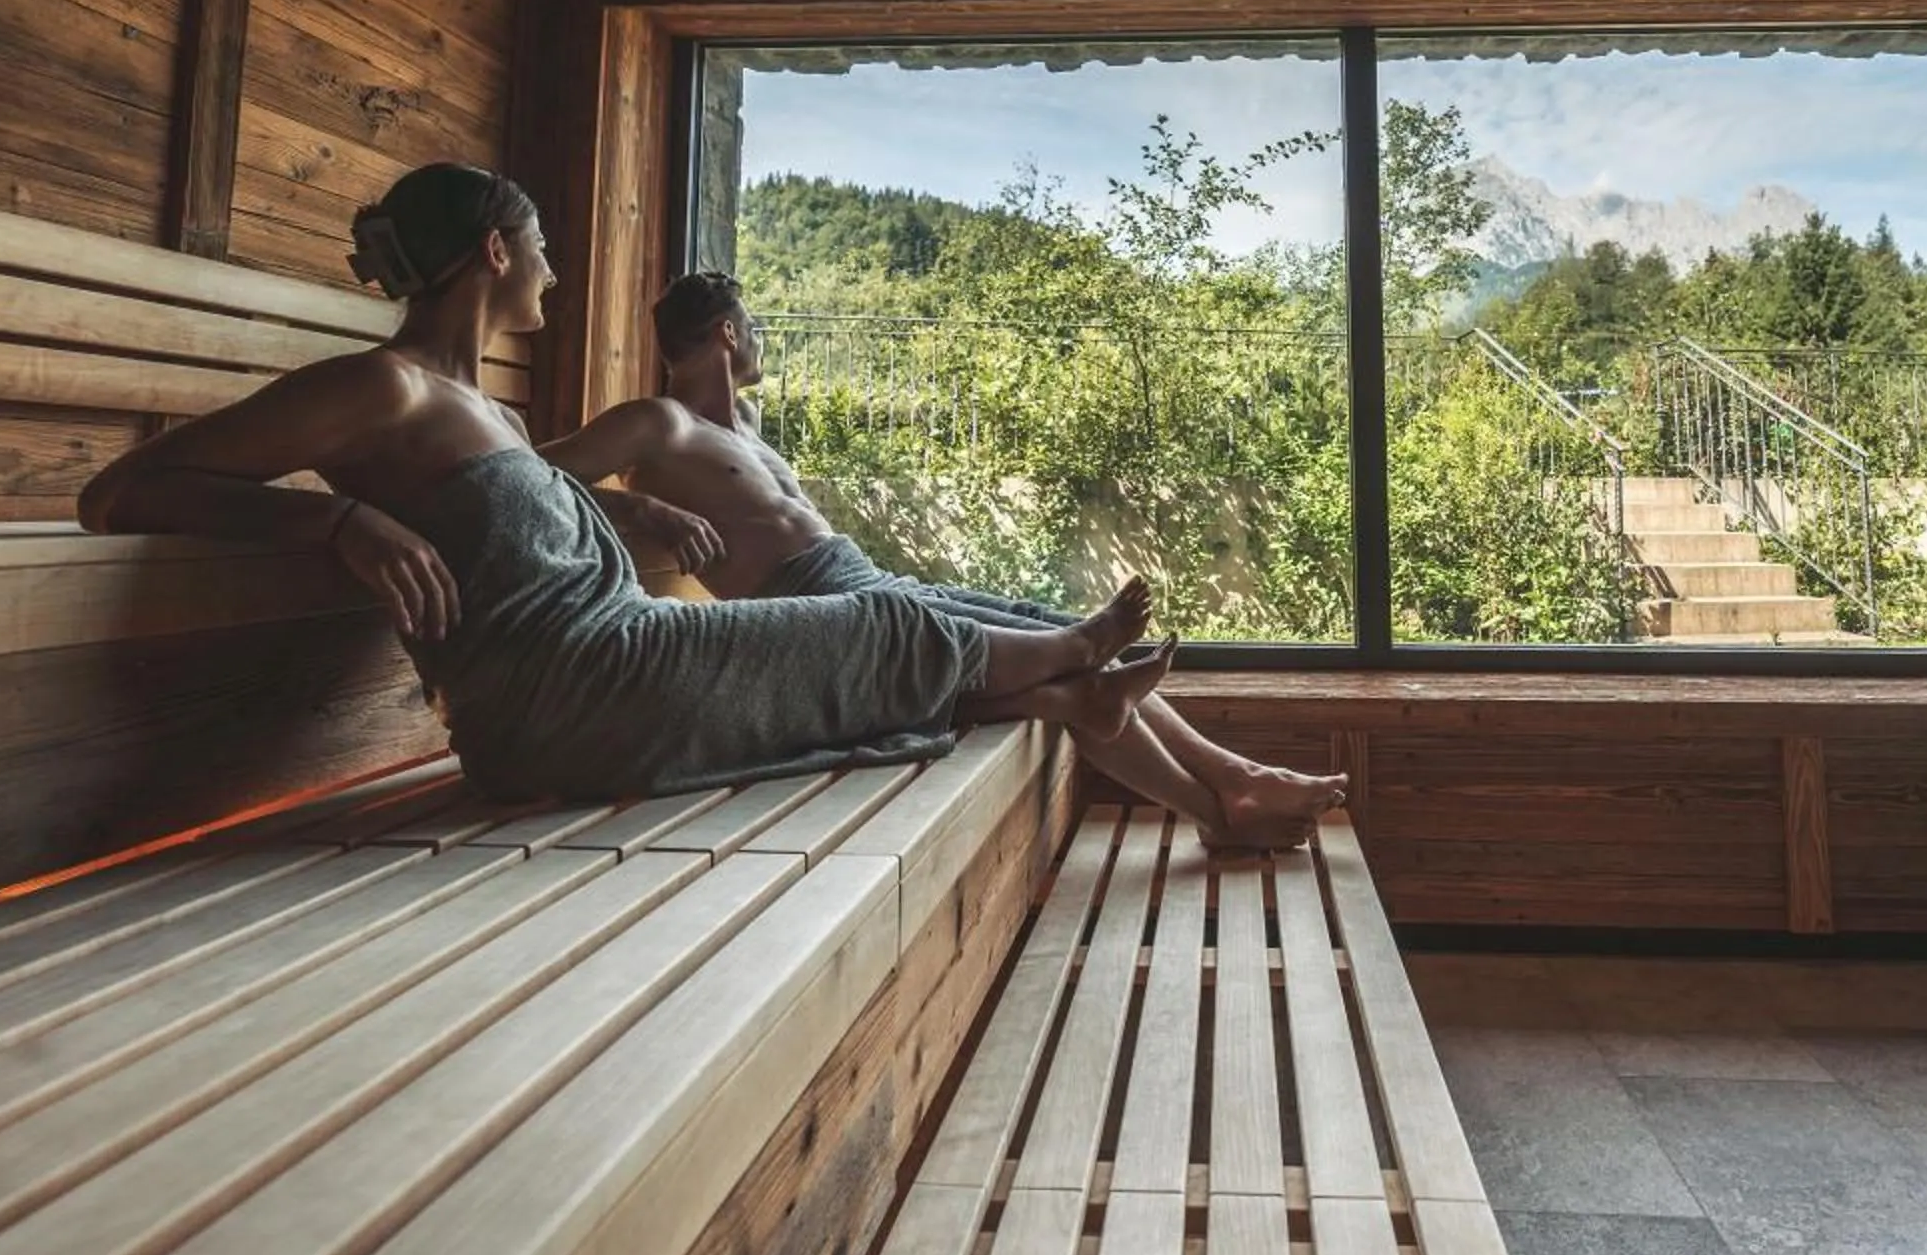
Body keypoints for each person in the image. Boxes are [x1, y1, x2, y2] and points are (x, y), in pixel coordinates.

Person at [76, 164, 1177, 805]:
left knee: (873, 630)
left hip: (611, 662)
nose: (555, 267)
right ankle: (1073, 659)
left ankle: (1065, 687)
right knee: (878, 620)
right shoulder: (382, 388)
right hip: (564, 691)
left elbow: (498, 511)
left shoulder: (487, 411)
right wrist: (339, 520)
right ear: (496, 254)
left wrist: (625, 506)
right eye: (543, 246)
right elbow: (125, 490)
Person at [537, 271, 1349, 850]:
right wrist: (639, 506)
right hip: (814, 611)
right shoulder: (654, 422)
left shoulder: (743, 419)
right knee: (1073, 666)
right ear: (726, 333)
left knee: (1068, 645)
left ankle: (1233, 782)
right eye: (752, 328)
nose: (758, 341)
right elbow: (536, 474)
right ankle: (1221, 801)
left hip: (865, 581)